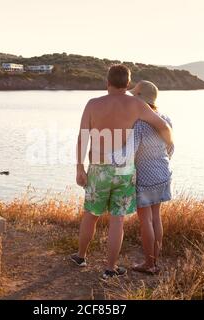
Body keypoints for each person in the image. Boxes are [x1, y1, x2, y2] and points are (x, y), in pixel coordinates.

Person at [70, 64, 174, 280]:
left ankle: (81, 256)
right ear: (127, 84)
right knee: (117, 220)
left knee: (91, 215)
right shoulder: (136, 104)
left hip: (99, 168)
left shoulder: (93, 104)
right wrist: (170, 144)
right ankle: (110, 268)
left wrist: (79, 167)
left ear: (106, 82)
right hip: (125, 169)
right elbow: (162, 125)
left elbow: (83, 137)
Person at [129, 80, 174, 275]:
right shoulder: (165, 118)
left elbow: (131, 153)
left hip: (144, 178)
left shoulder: (138, 123)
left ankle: (149, 263)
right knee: (156, 218)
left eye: (134, 96)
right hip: (162, 174)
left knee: (145, 220)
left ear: (140, 99)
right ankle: (155, 261)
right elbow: (170, 149)